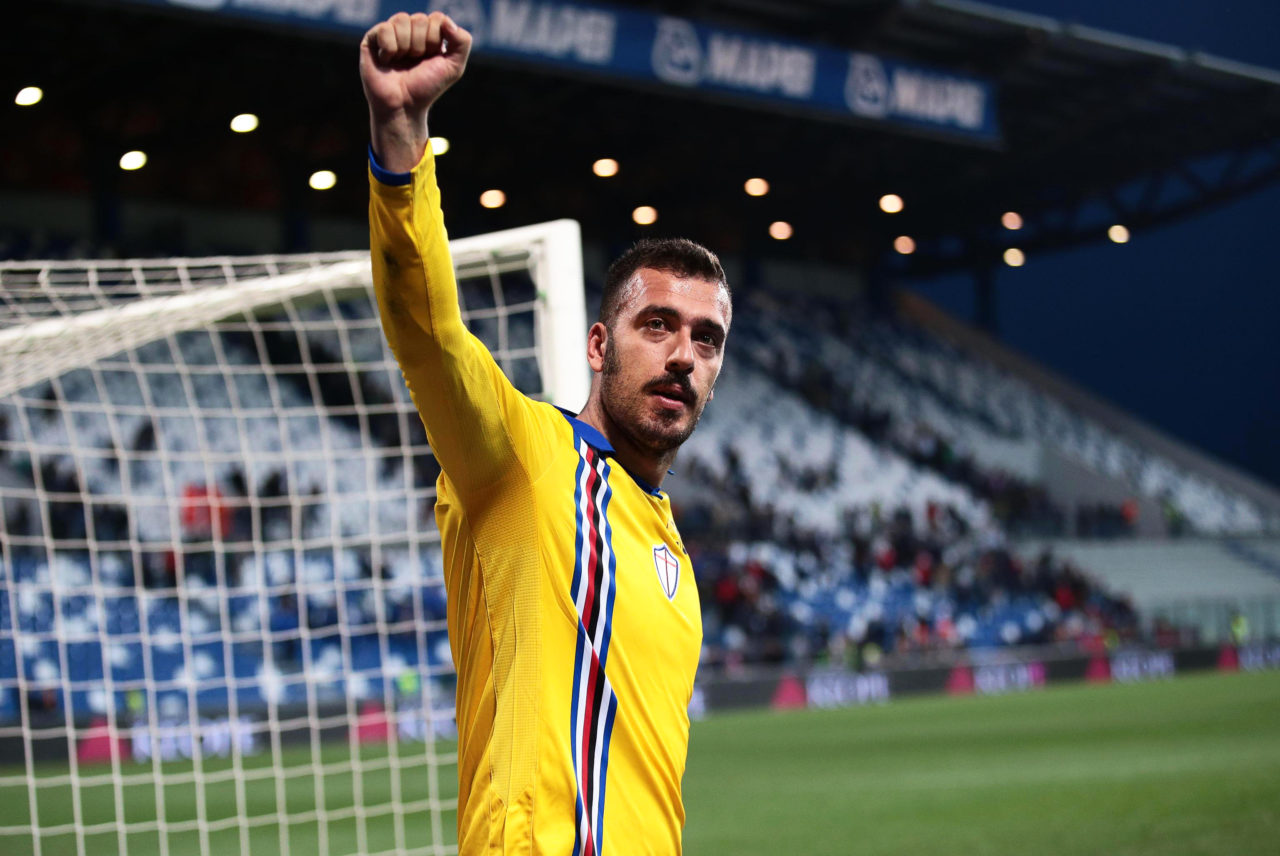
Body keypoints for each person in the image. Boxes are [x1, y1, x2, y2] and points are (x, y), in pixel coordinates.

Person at [359, 11, 732, 855]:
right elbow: (428, 329)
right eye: (658, 326)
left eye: (706, 339)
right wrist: (400, 135)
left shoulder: (667, 545)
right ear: (599, 344)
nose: (683, 356)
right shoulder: (523, 458)